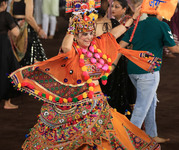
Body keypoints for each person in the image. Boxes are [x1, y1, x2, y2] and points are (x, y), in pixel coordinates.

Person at [9, 1, 161, 149]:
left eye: (90, 33)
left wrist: (133, 18)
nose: (88, 37)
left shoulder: (95, 46)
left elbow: (114, 34)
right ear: (75, 36)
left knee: (104, 135)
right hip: (75, 104)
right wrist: (73, 25)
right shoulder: (71, 52)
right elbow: (66, 45)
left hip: (97, 103)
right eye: (84, 35)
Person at [119, 14, 179, 143]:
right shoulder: (162, 25)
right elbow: (174, 48)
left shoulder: (137, 25)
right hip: (148, 71)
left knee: (150, 102)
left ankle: (152, 135)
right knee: (142, 107)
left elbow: (121, 45)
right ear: (160, 12)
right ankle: (127, 141)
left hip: (132, 69)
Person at [96, 0, 136, 115]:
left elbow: (119, 46)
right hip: (102, 70)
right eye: (110, 5)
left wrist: (112, 65)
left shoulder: (114, 23)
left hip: (113, 71)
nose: (111, 8)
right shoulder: (86, 26)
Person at [9, 0, 47, 66]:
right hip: (26, 31)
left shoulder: (13, 1)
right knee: (30, 58)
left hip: (14, 30)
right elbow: (29, 17)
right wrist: (38, 29)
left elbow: (10, 14)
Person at [0, 0, 20, 109]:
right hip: (3, 45)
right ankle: (7, 103)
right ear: (4, 3)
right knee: (7, 70)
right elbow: (16, 33)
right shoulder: (6, 15)